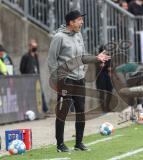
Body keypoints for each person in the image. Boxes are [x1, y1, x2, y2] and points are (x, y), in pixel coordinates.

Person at [47, 10, 110, 152]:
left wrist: (96, 58)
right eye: (79, 20)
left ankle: (79, 143)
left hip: (79, 79)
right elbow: (51, 61)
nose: (82, 22)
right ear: (71, 22)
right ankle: (60, 144)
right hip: (65, 80)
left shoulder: (79, 35)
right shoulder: (58, 37)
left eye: (82, 20)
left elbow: (82, 57)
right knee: (63, 112)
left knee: (81, 111)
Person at [96, 46, 113, 112]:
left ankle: (107, 107)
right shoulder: (98, 58)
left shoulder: (108, 57)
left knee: (110, 91)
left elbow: (109, 66)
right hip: (100, 76)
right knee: (101, 92)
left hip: (106, 75)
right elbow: (100, 66)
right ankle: (103, 109)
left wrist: (109, 68)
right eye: (104, 51)